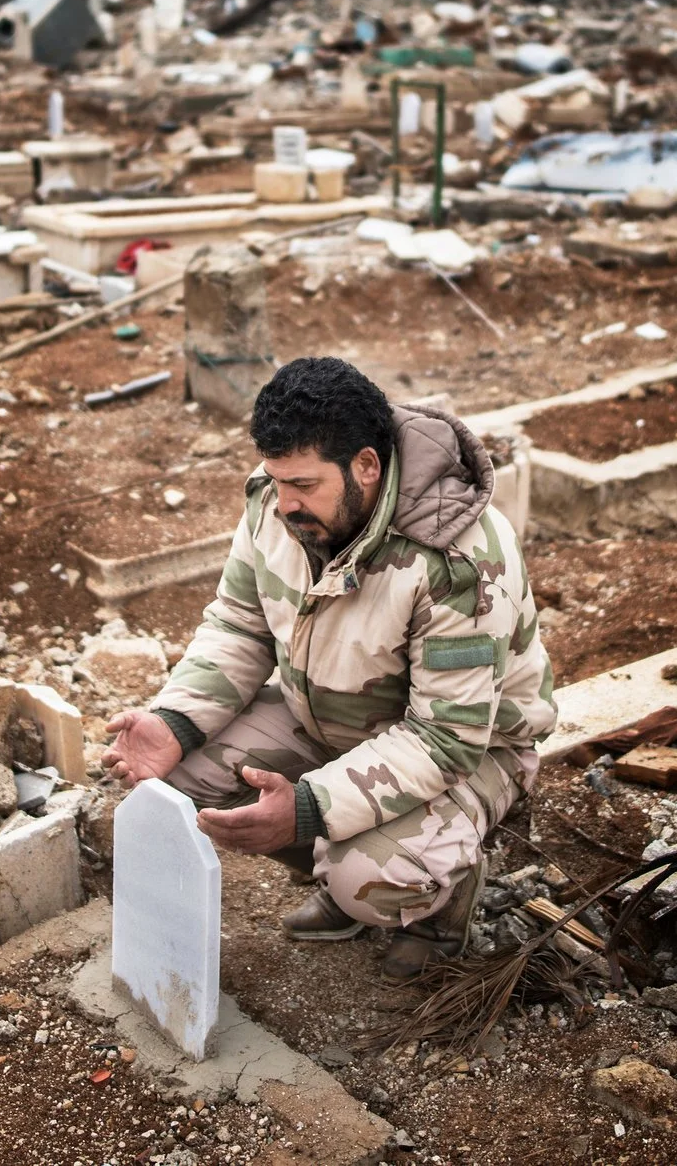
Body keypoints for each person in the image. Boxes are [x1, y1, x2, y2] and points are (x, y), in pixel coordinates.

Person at [101, 356, 554, 978]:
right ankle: (340, 862)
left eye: (304, 486)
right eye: (276, 479)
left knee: (369, 878)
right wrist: (175, 722)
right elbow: (239, 626)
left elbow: (447, 739)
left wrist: (308, 807)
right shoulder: (275, 502)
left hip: (470, 751)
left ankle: (435, 909)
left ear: (366, 466)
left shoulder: (458, 560)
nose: (284, 503)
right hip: (329, 718)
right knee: (185, 778)